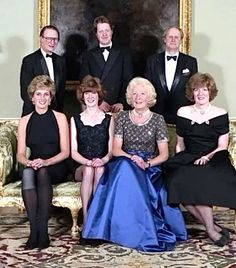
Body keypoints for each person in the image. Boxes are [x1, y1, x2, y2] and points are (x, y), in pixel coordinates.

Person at [82, 77, 187, 252]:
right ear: (130, 97)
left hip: (149, 167)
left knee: (133, 174)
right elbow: (116, 150)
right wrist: (132, 158)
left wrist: (146, 163)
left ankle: (142, 232)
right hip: (124, 160)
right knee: (124, 169)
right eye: (135, 94)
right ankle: (113, 231)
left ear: (149, 97)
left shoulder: (157, 119)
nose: (138, 97)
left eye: (142, 94)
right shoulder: (122, 117)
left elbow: (164, 155)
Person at [165, 72, 236, 247]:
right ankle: (211, 226)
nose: (201, 93)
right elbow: (180, 144)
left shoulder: (221, 113)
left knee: (201, 181)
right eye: (197, 90)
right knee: (175, 183)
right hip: (189, 156)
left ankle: (211, 230)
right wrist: (178, 161)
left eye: (204, 89)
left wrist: (207, 156)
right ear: (192, 92)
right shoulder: (183, 112)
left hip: (214, 157)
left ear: (210, 92)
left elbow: (222, 145)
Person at [17, 75, 70, 250]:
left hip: (55, 164)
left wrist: (46, 162)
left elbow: (65, 152)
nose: (42, 98)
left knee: (42, 172)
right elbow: (20, 154)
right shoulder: (25, 121)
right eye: (38, 94)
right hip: (34, 164)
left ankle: (43, 231)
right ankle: (34, 232)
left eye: (46, 94)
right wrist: (29, 162)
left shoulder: (60, 117)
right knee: (27, 172)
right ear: (32, 97)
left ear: (50, 97)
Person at [70, 75, 114, 223]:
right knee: (89, 169)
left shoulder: (109, 119)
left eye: (93, 93)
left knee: (99, 169)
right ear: (82, 96)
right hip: (80, 166)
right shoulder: (75, 118)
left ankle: (98, 219)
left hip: (103, 164)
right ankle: (88, 219)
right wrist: (87, 162)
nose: (90, 96)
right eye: (87, 93)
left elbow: (111, 150)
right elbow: (73, 152)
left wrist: (103, 160)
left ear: (99, 95)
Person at [79, 15, 133, 113]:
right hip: (96, 106)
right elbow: (85, 83)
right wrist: (99, 102)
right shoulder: (88, 55)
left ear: (112, 31)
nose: (104, 34)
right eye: (101, 31)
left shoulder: (124, 53)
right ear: (96, 34)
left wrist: (122, 103)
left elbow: (128, 81)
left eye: (107, 31)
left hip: (118, 107)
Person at [145, 26, 198, 124]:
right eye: (170, 37)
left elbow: (194, 88)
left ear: (181, 40)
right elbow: (148, 86)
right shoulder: (152, 60)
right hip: (157, 113)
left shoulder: (191, 62)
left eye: (176, 37)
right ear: (165, 39)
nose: (173, 40)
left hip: (183, 114)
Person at [20, 25, 66, 116]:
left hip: (56, 113)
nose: (52, 42)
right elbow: (25, 92)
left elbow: (61, 91)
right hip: (33, 113)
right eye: (48, 38)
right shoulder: (29, 61)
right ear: (41, 39)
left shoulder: (61, 61)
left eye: (55, 39)